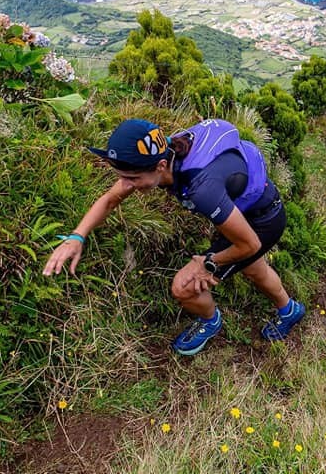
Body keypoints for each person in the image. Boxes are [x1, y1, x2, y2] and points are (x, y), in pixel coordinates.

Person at [42, 118, 305, 356]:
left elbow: (249, 244)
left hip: (261, 222)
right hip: (248, 208)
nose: (126, 185)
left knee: (185, 287)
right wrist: (77, 237)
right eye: (122, 176)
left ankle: (210, 322)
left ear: (161, 165)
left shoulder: (202, 188)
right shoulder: (168, 149)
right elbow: (111, 199)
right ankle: (290, 309)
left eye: (133, 178)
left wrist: (208, 264)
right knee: (253, 268)